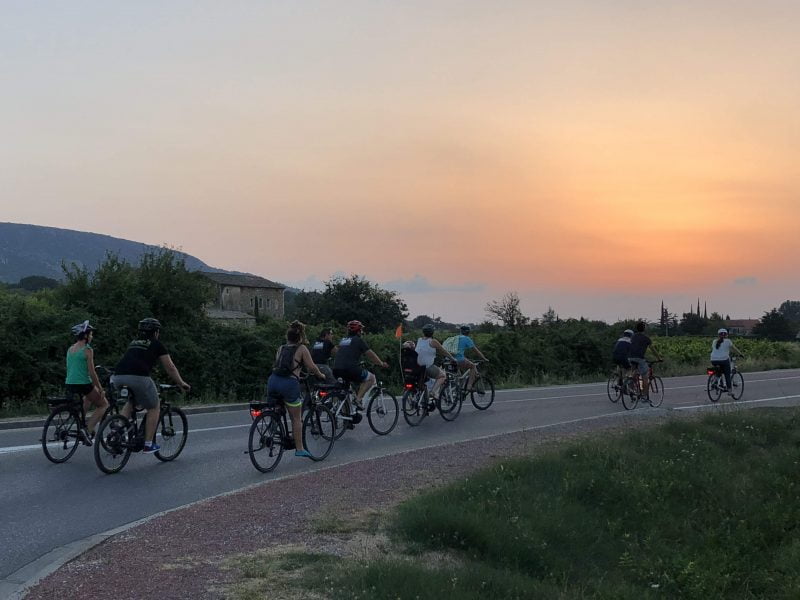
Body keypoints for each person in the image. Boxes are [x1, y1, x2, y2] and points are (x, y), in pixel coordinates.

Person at [112, 318, 190, 454]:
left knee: (132, 401)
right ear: (156, 332)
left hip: (118, 377)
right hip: (138, 377)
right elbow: (170, 367)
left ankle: (117, 430)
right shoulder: (156, 344)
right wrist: (181, 383)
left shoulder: (134, 342)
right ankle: (148, 444)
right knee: (154, 406)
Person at [267, 321, 326, 458]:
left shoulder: (281, 348)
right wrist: (321, 375)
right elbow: (312, 367)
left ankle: (274, 425)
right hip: (289, 384)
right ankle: (299, 448)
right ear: (300, 337)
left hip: (273, 381)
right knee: (296, 418)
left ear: (287, 336)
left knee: (278, 406)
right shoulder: (302, 348)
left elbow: (279, 365)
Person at [65, 320, 109, 444]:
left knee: (88, 398)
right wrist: (100, 388)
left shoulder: (70, 349)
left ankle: (80, 422)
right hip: (82, 383)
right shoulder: (87, 349)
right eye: (90, 334)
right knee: (104, 404)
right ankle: (88, 430)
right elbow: (92, 372)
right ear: (85, 336)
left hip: (69, 383)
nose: (92, 336)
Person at [332, 320, 389, 409]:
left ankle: (345, 415)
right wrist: (381, 363)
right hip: (349, 369)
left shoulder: (343, 340)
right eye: (361, 330)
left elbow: (345, 354)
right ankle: (358, 400)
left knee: (346, 391)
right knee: (371, 378)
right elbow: (371, 354)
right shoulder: (358, 340)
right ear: (359, 331)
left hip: (336, 369)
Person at [416, 323, 455, 400]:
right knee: (442, 376)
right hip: (427, 367)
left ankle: (426, 396)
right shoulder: (433, 341)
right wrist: (453, 358)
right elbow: (443, 351)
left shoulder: (419, 340)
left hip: (417, 366)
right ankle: (433, 392)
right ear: (432, 332)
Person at [627, 321, 662, 400]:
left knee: (634, 371)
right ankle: (644, 396)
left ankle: (631, 384)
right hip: (639, 358)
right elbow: (653, 349)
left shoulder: (633, 336)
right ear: (644, 329)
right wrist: (659, 358)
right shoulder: (646, 338)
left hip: (630, 357)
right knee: (645, 376)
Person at [448, 325, 488, 391]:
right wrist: (484, 358)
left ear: (460, 331)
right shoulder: (466, 339)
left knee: (459, 376)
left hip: (450, 359)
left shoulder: (455, 338)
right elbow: (476, 351)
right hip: (459, 359)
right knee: (473, 366)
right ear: (468, 332)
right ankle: (469, 386)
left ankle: (458, 391)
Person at [710, 328, 744, 396]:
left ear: (718, 335)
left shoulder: (714, 341)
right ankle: (730, 391)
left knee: (718, 371)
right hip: (724, 360)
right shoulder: (728, 341)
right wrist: (740, 354)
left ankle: (715, 381)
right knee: (727, 375)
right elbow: (734, 349)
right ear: (726, 335)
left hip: (713, 360)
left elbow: (717, 350)